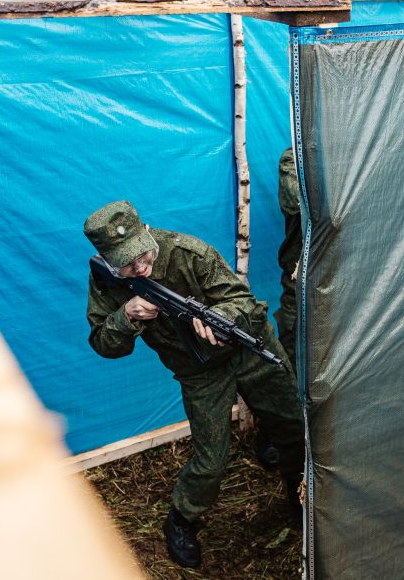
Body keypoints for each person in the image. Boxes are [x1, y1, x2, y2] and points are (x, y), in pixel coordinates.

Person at [83, 200, 305, 569]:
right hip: (199, 371)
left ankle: (295, 493)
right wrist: (127, 316)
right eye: (127, 261)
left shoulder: (189, 252)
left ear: (148, 230)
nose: (139, 266)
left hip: (251, 348)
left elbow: (244, 303)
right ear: (106, 260)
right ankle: (182, 520)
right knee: (210, 461)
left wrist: (221, 318)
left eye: (141, 253)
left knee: (292, 426)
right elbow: (105, 345)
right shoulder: (106, 282)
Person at [274, 146, 303, 366]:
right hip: (300, 276)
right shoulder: (295, 158)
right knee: (294, 345)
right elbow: (296, 201)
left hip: (344, 271)